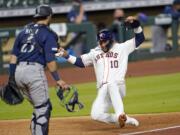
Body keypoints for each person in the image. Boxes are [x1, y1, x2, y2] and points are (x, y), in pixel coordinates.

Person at [56, 16, 145, 128]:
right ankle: (125, 119)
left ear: (111, 40)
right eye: (100, 42)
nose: (102, 44)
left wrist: (136, 25)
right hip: (103, 90)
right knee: (95, 115)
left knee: (110, 83)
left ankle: (120, 113)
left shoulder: (122, 48)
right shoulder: (95, 52)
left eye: (104, 42)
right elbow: (80, 62)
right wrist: (66, 56)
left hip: (118, 86)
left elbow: (140, 38)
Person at [9, 4, 69, 135]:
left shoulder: (23, 31)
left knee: (39, 107)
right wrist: (58, 79)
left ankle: (35, 130)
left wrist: (11, 77)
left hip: (18, 71)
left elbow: (13, 57)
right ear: (49, 16)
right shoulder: (48, 33)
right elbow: (50, 60)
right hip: (34, 72)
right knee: (44, 108)